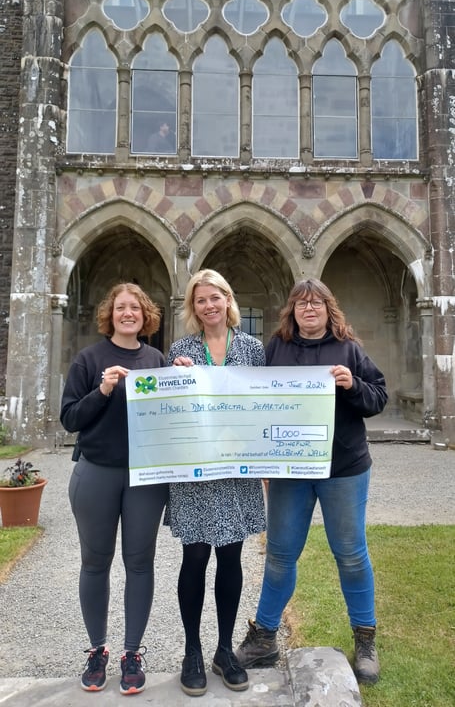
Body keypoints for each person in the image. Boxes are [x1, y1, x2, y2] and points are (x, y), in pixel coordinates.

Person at [235, 278, 387, 685]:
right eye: (301, 304)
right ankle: (265, 636)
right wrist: (261, 457)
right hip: (291, 471)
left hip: (344, 468)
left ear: (328, 309)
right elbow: (255, 400)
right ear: (292, 311)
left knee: (351, 554)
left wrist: (353, 385)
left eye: (316, 303)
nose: (309, 309)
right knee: (281, 554)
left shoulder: (349, 349)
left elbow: (378, 396)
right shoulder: (277, 349)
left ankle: (366, 638)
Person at [60, 282, 169, 696]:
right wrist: (102, 389)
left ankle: (131, 654)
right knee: (95, 562)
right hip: (96, 472)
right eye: (121, 307)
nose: (128, 313)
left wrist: (180, 379)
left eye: (135, 308)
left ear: (145, 316)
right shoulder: (90, 359)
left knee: (140, 563)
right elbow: (70, 417)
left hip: (144, 477)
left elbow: (169, 414)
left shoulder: (155, 359)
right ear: (111, 314)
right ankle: (96, 651)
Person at [165, 269, 266, 697]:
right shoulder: (181, 349)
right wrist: (176, 376)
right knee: (194, 560)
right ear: (194, 307)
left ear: (228, 300)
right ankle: (192, 651)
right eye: (200, 300)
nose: (209, 305)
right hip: (196, 472)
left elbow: (264, 404)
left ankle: (224, 650)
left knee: (231, 561)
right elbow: (170, 407)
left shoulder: (253, 349)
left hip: (237, 471)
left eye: (215, 297)